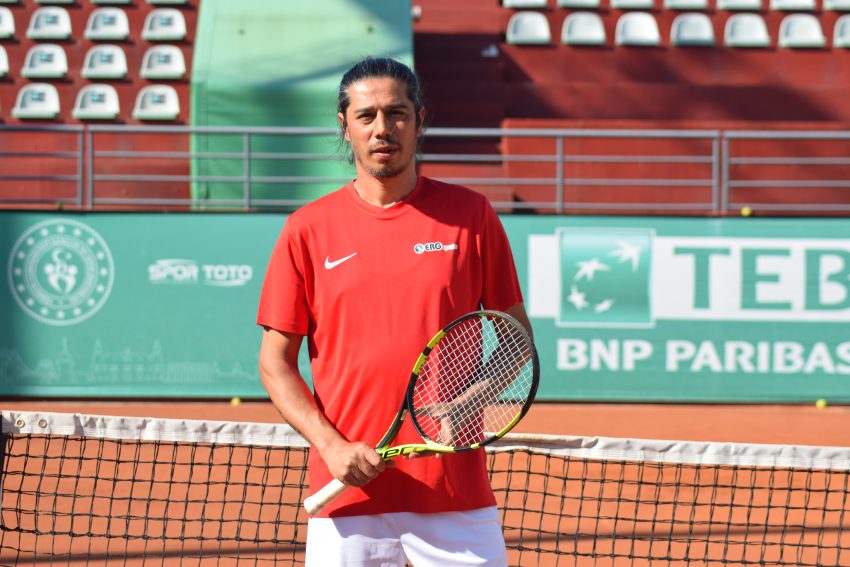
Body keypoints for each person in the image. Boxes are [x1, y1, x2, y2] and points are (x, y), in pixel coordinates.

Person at [256, 56, 532, 566]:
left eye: (396, 113)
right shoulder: (306, 229)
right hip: (348, 495)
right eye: (366, 116)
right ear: (345, 126)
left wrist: (471, 400)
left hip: (455, 493)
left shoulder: (472, 216)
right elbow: (275, 363)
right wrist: (332, 447)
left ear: (419, 120)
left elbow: (516, 339)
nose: (382, 129)